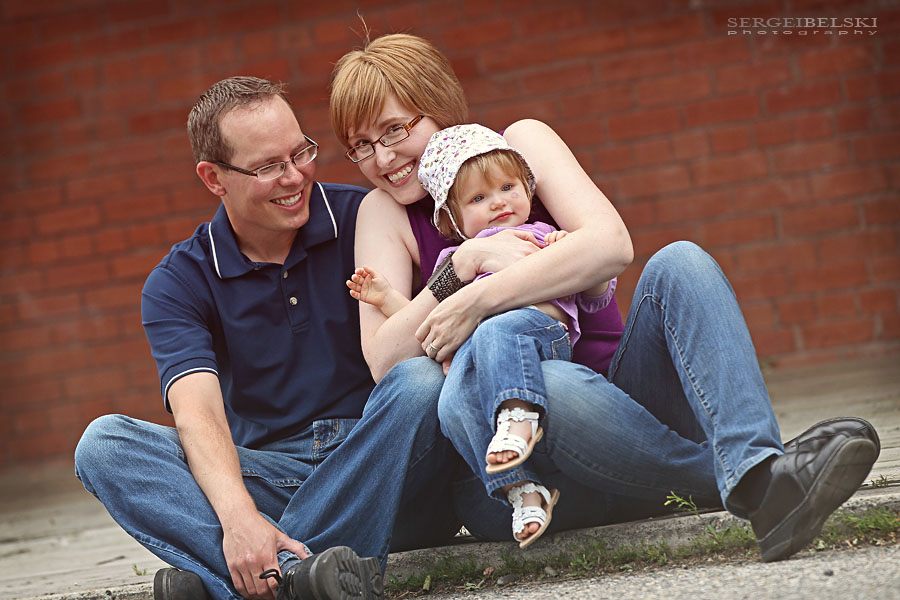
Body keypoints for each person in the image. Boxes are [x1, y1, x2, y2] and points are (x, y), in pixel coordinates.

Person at [330, 32, 880, 562]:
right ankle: (750, 481)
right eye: (360, 146)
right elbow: (385, 358)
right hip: (522, 483)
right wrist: (462, 270)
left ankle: (756, 463)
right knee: (548, 382)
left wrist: (481, 299)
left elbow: (610, 245)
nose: (382, 158)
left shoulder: (521, 145)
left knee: (680, 261)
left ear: (438, 107)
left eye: (394, 130)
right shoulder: (384, 212)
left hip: (627, 407)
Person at [73, 76, 465, 600]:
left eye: (300, 152)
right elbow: (198, 415)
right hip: (272, 476)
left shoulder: (366, 216)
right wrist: (238, 518)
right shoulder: (179, 281)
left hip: (386, 463)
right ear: (213, 178)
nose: (295, 176)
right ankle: (306, 576)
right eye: (267, 167)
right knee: (104, 445)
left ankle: (237, 579)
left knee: (418, 384)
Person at [347, 123, 617, 547]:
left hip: (531, 338)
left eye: (509, 188)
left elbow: (595, 284)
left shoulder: (535, 233)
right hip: (472, 370)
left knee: (499, 331)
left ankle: (519, 416)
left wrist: (563, 246)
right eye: (478, 198)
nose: (498, 204)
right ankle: (523, 491)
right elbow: (426, 328)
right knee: (454, 402)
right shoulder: (452, 260)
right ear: (452, 218)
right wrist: (385, 298)